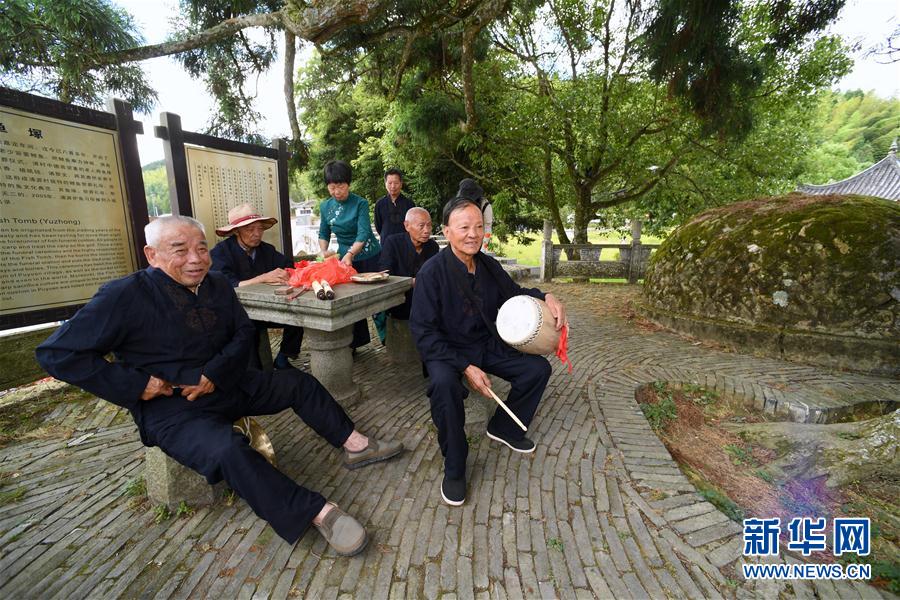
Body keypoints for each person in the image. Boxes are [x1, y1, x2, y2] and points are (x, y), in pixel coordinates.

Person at [35, 215, 403, 556]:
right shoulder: (124, 295)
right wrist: (136, 384)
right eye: (180, 250)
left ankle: (355, 444)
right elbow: (56, 354)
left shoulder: (217, 285)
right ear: (152, 255)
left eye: (201, 248)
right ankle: (317, 512)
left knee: (299, 383)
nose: (196, 259)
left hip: (227, 382)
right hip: (172, 408)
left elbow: (243, 333)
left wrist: (213, 373)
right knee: (229, 449)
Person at [409, 193, 566, 506]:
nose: (473, 234)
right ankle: (455, 466)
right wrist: (465, 368)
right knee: (444, 387)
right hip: (446, 350)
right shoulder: (431, 273)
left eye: (478, 227)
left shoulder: (488, 265)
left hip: (485, 342)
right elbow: (423, 333)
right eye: (464, 227)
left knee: (537, 369)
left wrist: (546, 296)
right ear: (447, 231)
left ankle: (503, 427)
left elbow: (515, 293)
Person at [210, 203, 302, 370]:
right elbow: (228, 284)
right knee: (248, 331)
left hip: (264, 308)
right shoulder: (221, 252)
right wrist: (264, 278)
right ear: (236, 231)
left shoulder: (266, 250)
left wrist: (284, 275)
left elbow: (288, 265)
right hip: (236, 313)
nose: (257, 234)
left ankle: (283, 358)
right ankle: (256, 374)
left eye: (260, 228)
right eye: (250, 229)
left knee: (297, 316)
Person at [318, 160, 382, 349]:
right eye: (332, 187)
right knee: (349, 300)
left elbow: (363, 232)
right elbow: (323, 232)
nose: (336, 191)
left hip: (368, 255)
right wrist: (323, 251)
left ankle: (386, 337)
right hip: (345, 259)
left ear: (348, 184)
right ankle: (355, 343)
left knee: (376, 299)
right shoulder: (325, 206)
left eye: (341, 186)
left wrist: (350, 253)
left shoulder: (360, 203)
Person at [378, 207, 439, 320]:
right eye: (421, 226)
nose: (427, 230)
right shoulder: (393, 243)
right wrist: (410, 282)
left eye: (429, 225)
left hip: (426, 303)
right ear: (407, 226)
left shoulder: (433, 246)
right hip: (400, 303)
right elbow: (385, 274)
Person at [374, 168, 416, 241]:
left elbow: (413, 226)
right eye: (390, 183)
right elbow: (378, 226)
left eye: (396, 183)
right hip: (386, 243)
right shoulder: (379, 204)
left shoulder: (409, 204)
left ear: (401, 183)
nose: (393, 186)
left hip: (405, 243)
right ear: (385, 184)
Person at [454, 178, 493, 252]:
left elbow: (487, 227)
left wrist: (483, 248)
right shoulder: (460, 205)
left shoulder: (485, 206)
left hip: (479, 241)